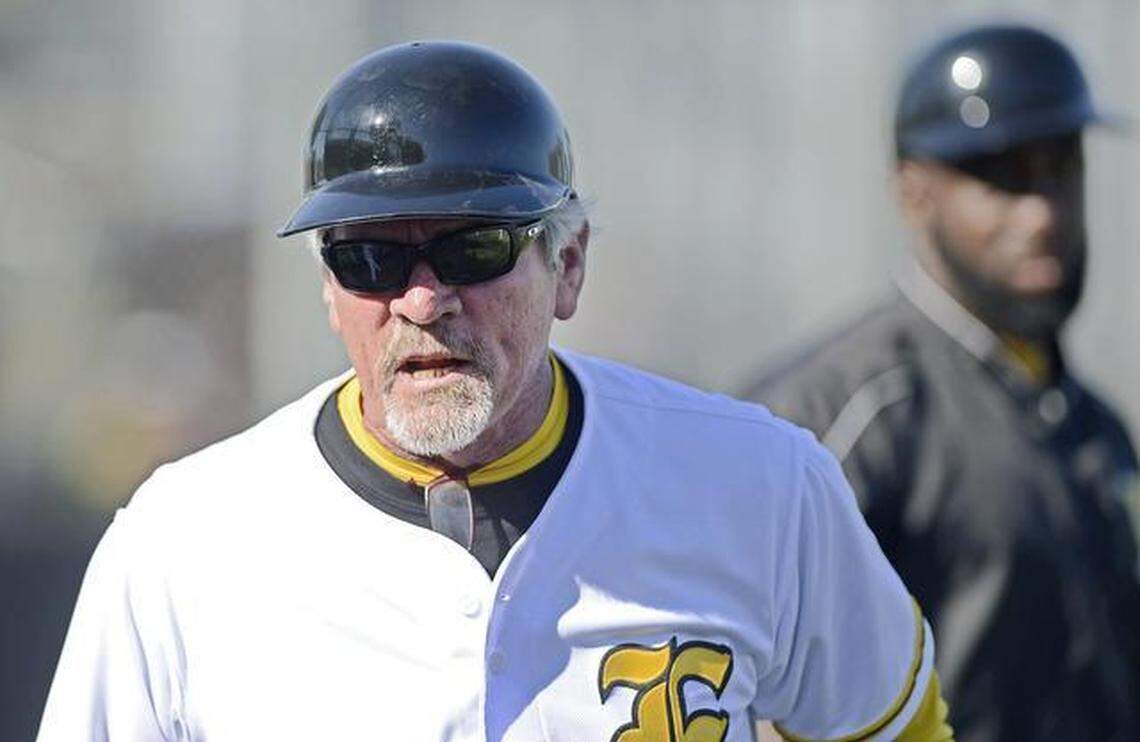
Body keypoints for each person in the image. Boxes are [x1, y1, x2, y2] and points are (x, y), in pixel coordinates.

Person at [38, 41, 951, 741]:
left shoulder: (758, 485)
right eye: (372, 257)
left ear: (570, 266)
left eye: (476, 247)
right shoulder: (181, 541)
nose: (424, 299)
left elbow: (895, 725)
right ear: (329, 291)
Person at [745, 24, 1140, 742]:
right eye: (1003, 177)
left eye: (1059, 168)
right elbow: (745, 680)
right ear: (916, 191)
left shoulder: (1096, 429)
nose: (1042, 211)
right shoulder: (843, 409)